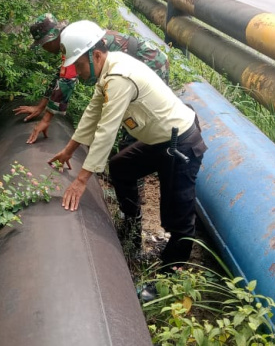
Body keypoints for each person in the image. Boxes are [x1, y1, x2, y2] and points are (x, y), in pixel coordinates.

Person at [48, 20, 207, 292]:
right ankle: (132, 232)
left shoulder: (119, 77)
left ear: (95, 54)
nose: (78, 72)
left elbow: (106, 130)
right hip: (159, 140)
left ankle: (169, 279)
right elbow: (92, 115)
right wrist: (68, 150)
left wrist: (82, 180)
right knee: (121, 167)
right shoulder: (108, 70)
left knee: (178, 217)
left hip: (179, 144)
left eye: (80, 65)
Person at [15, 13, 170, 144]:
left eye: (43, 44)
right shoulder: (70, 39)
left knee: (139, 117)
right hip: (141, 60)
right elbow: (61, 75)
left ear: (51, 38)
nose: (44, 48)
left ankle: (149, 155)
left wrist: (46, 120)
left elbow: (66, 82)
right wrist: (40, 107)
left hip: (149, 61)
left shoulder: (72, 41)